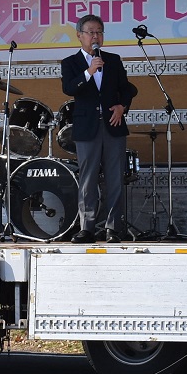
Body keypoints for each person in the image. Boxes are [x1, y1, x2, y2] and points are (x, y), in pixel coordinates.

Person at [60, 14, 136, 242]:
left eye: (99, 32)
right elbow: (69, 88)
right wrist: (89, 71)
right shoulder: (70, 62)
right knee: (88, 178)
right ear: (79, 36)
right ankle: (88, 228)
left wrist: (122, 106)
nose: (96, 36)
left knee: (115, 178)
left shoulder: (113, 59)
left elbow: (129, 89)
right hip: (87, 127)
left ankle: (113, 228)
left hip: (113, 124)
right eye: (91, 32)